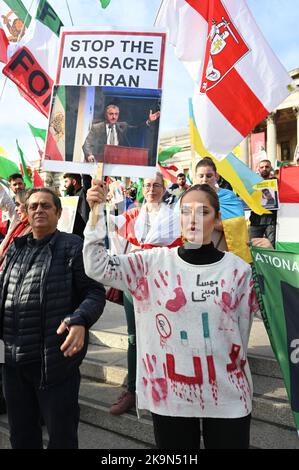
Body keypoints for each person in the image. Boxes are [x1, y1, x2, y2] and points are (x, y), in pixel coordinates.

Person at [84, 182, 258, 449]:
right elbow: (97, 266)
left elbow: (266, 313)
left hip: (228, 396)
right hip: (170, 397)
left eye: (203, 212)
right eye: (186, 211)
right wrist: (95, 213)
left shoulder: (239, 270)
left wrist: (269, 255)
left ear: (218, 219)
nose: (193, 219)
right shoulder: (151, 262)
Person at [0, 187, 106, 449]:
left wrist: (80, 318)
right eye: (33, 206)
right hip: (13, 363)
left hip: (54, 364)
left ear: (58, 213)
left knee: (61, 439)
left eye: (46, 206)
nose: (39, 210)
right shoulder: (15, 248)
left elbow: (94, 292)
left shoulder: (73, 246)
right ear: (25, 212)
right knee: (22, 438)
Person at [107, 172, 181, 415]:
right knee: (133, 336)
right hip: (135, 283)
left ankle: (169, 386)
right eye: (148, 185)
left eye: (157, 185)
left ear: (163, 188)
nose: (152, 189)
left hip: (164, 283)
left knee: (166, 333)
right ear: (143, 188)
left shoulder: (175, 217)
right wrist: (103, 207)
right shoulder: (131, 216)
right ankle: (133, 390)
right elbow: (114, 241)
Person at [194, 158, 251, 262]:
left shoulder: (228, 196)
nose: (205, 179)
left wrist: (209, 222)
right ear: (196, 177)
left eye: (209, 175)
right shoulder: (189, 197)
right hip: (197, 250)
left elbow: (238, 224)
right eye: (201, 176)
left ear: (216, 176)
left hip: (224, 249)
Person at [82, 104, 160, 163]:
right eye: (111, 114)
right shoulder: (97, 127)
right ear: (106, 115)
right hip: (101, 162)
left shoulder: (123, 126)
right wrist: (89, 154)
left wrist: (149, 121)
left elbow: (137, 129)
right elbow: (87, 144)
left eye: (116, 114)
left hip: (118, 162)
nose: (114, 117)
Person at [249, 159, 277, 246]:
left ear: (270, 168)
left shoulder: (277, 182)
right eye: (262, 167)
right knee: (253, 247)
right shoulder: (251, 183)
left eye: (267, 167)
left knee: (271, 248)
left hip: (271, 221)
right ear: (258, 169)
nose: (264, 169)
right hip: (255, 220)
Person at [63, 173, 91, 238]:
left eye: (66, 181)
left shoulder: (84, 192)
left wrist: (82, 165)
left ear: (74, 182)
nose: (64, 185)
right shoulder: (69, 197)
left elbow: (86, 179)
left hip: (84, 234)